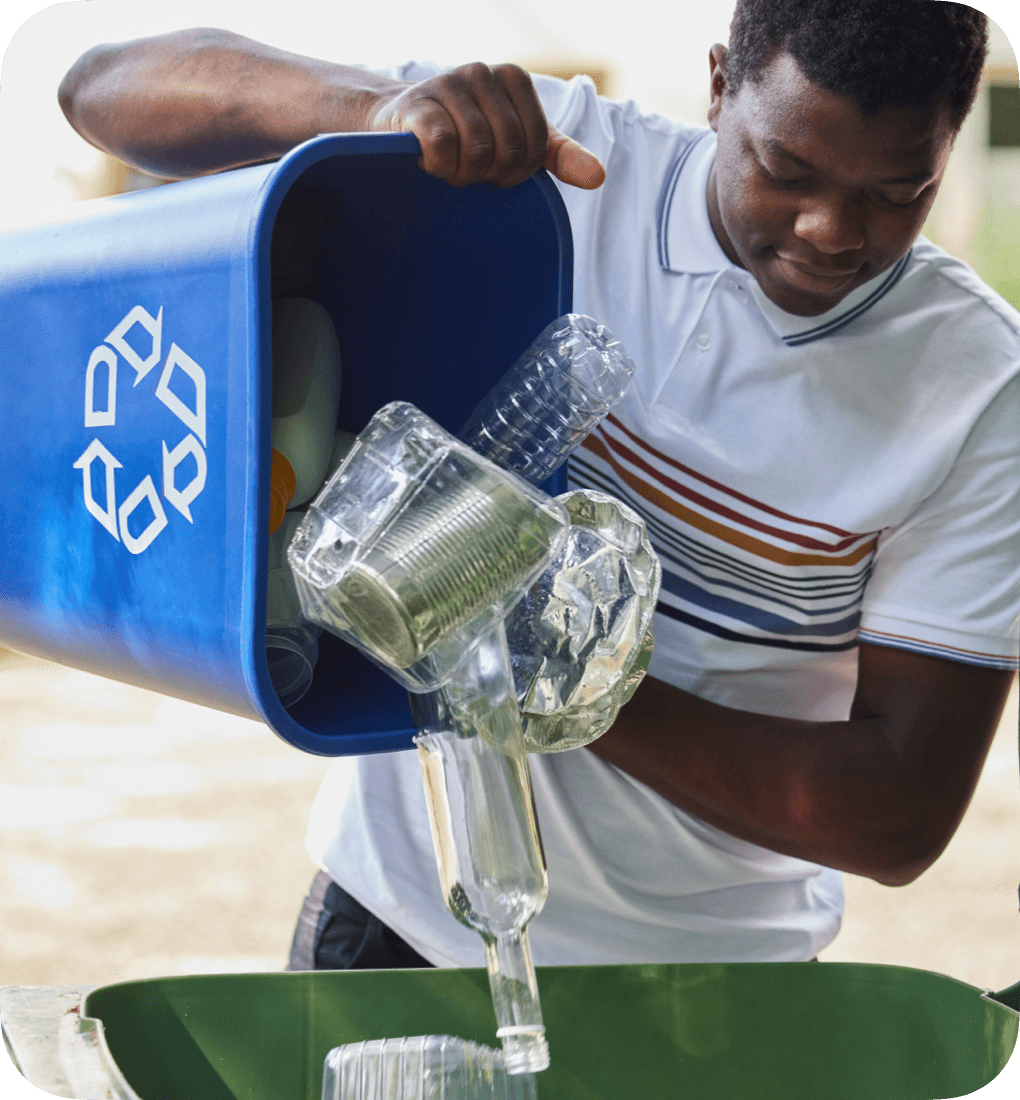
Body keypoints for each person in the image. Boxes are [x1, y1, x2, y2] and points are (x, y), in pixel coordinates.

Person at [58, 0, 1018, 970]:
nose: (830, 230)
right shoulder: (549, 162)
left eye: (899, 192)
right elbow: (102, 88)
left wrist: (570, 680)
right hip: (404, 919)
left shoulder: (975, 384)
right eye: (787, 170)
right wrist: (381, 110)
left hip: (720, 976)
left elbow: (897, 814)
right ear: (723, 83)